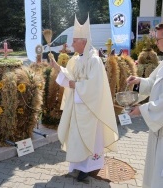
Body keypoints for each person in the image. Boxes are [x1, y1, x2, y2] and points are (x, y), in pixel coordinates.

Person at [49, 15, 119, 181]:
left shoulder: (94, 60)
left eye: (75, 41)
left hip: (90, 109)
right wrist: (58, 67)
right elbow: (70, 76)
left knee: (91, 138)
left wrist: (76, 85)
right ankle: (76, 166)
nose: (72, 44)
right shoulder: (75, 59)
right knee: (76, 137)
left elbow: (95, 87)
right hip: (77, 106)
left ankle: (90, 168)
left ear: (84, 41)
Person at [126, 22, 163, 188]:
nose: (156, 43)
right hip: (158, 129)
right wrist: (139, 81)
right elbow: (153, 82)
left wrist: (141, 110)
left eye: (159, 39)